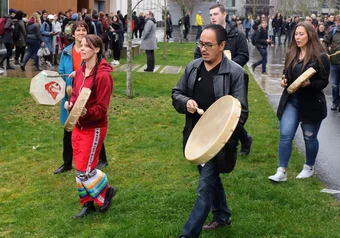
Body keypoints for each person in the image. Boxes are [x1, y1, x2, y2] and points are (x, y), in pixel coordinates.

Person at [172, 24, 248, 238]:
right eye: (201, 44)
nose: (203, 49)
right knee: (211, 180)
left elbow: (241, 112)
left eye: (208, 44)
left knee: (204, 187)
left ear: (222, 46)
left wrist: (221, 131)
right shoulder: (193, 67)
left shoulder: (235, 73)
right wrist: (185, 102)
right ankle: (223, 216)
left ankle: (188, 234)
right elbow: (176, 93)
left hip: (218, 142)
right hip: (196, 137)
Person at [268, 22, 330, 182]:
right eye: (296, 34)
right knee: (285, 135)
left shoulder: (321, 57)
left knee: (309, 138)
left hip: (311, 103)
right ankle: (281, 171)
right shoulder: (291, 53)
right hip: (291, 101)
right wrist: (284, 79)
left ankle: (309, 167)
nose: (297, 37)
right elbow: (286, 73)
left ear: (310, 35)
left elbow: (324, 81)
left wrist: (310, 84)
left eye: (301, 34)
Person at [63, 34, 116, 219]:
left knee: (85, 170)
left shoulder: (103, 76)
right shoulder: (79, 72)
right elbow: (75, 95)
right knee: (79, 168)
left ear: (97, 49)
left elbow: (101, 109)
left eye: (87, 46)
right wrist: (70, 104)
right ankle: (87, 204)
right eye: (81, 45)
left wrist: (86, 112)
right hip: (78, 125)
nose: (82, 48)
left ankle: (107, 190)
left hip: (95, 127)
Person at [194, 4, 252, 156]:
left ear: (224, 15)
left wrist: (228, 67)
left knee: (233, 115)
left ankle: (244, 138)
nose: (212, 17)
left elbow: (244, 55)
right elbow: (197, 54)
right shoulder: (206, 33)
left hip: (232, 80)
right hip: (210, 79)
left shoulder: (237, 35)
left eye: (215, 14)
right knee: (212, 113)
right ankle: (212, 143)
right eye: (211, 14)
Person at [54, 21, 109, 175]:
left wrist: (79, 72)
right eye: (78, 30)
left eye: (83, 30)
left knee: (93, 133)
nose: (80, 33)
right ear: (73, 34)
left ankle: (100, 159)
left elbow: (93, 71)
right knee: (69, 130)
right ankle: (67, 162)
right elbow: (60, 72)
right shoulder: (67, 51)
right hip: (70, 93)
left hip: (88, 101)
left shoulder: (96, 63)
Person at [322, 15, 340, 111]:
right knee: (335, 85)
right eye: (338, 21)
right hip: (334, 62)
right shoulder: (333, 31)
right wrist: (326, 53)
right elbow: (324, 41)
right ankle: (335, 102)